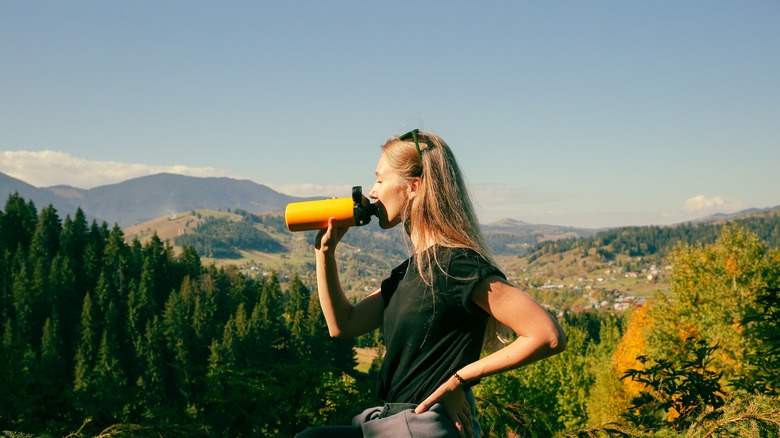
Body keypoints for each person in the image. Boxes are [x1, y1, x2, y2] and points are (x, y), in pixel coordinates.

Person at [296, 129, 567, 438]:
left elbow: (547, 335)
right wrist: (325, 253)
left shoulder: (457, 265)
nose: (372, 192)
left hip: (420, 426)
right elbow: (343, 324)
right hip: (388, 423)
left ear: (414, 186)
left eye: (380, 180)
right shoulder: (409, 272)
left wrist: (460, 381)